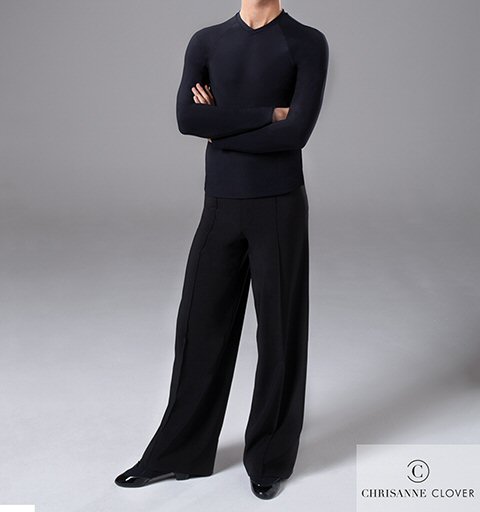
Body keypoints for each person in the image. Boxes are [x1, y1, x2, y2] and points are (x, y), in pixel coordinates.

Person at [115, 0, 329, 500]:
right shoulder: (207, 41)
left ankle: (270, 459)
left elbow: (296, 132)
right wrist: (266, 115)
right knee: (198, 328)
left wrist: (222, 126)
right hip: (220, 204)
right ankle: (179, 454)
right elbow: (187, 118)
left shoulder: (306, 42)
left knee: (280, 333)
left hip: (278, 204)